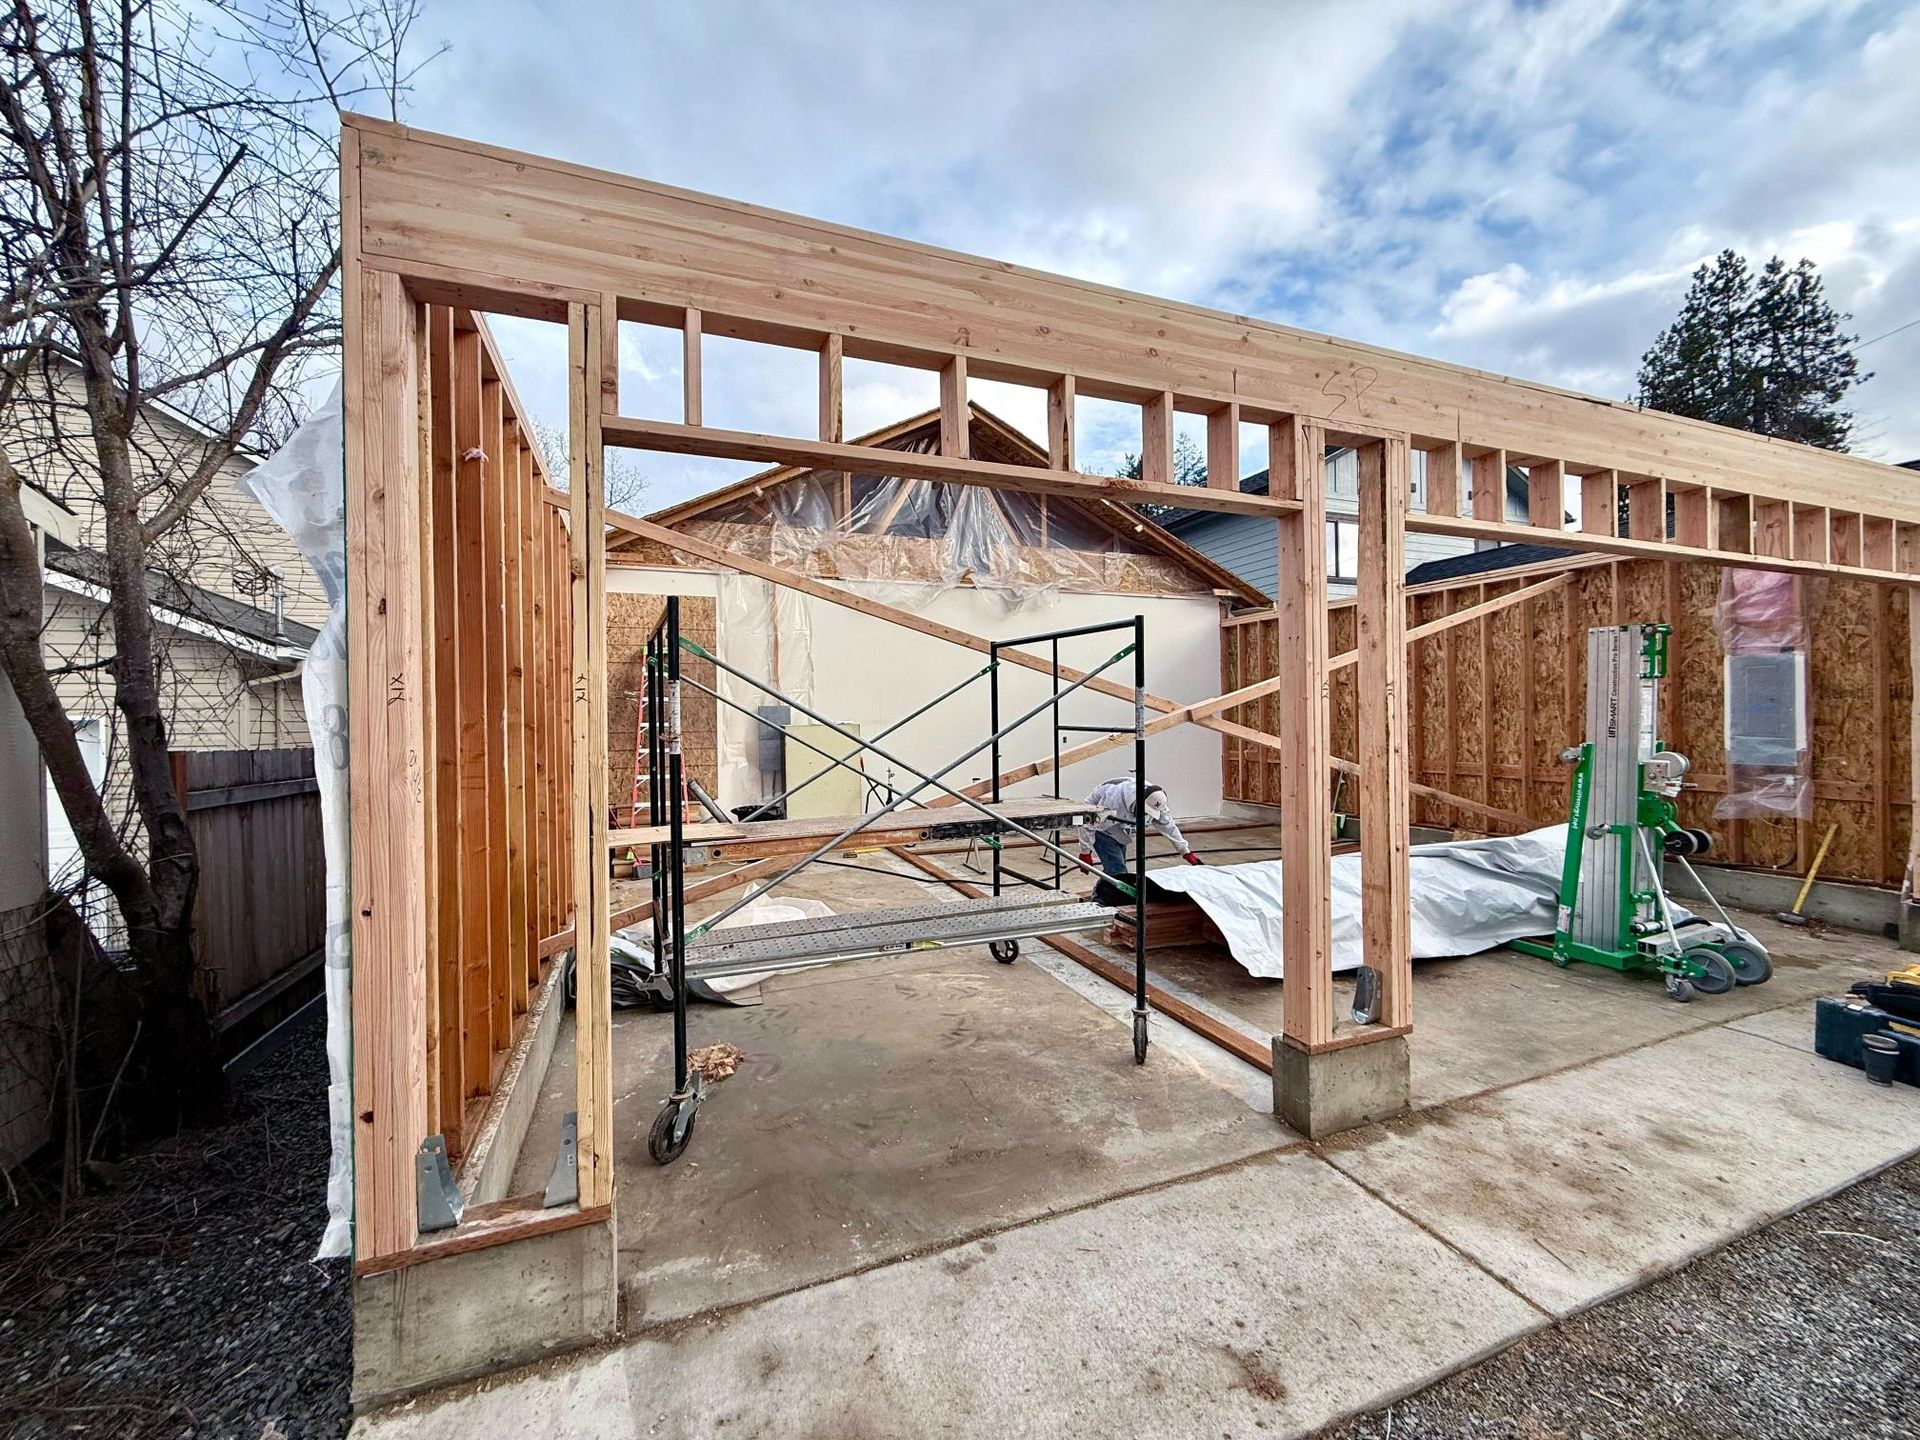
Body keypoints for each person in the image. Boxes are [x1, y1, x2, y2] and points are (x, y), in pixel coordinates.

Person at [1077, 777, 1203, 880]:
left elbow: (1169, 827)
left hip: (1121, 832)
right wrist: (1085, 852)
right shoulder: (1113, 798)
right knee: (1117, 870)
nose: (1146, 816)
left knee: (1116, 869)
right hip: (1103, 829)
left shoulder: (1158, 803)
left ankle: (1107, 894)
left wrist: (1185, 851)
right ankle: (1106, 900)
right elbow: (1088, 821)